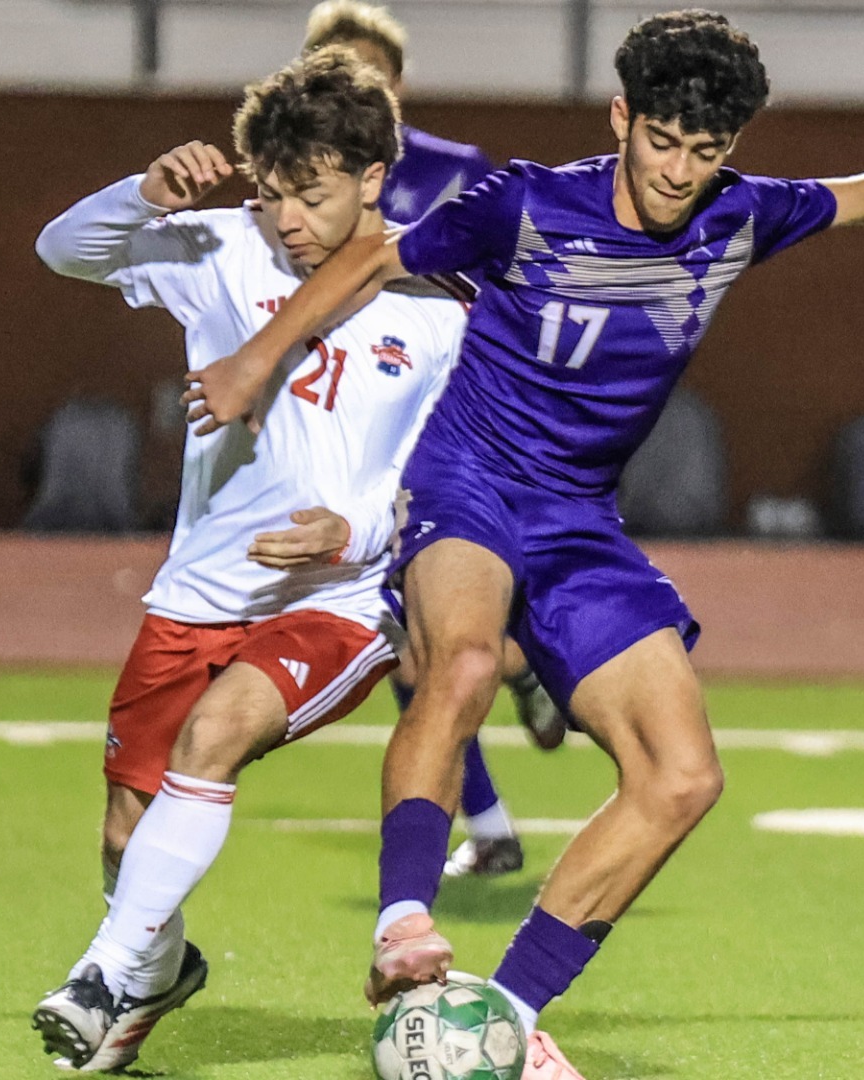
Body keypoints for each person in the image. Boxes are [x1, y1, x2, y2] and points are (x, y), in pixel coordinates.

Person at [184, 10, 864, 1075]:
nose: (681, 170)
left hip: (581, 518)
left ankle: (500, 1013)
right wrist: (259, 361)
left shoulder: (739, 215)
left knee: (682, 777)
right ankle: (403, 923)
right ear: (621, 116)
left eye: (707, 150)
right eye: (662, 140)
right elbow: (372, 261)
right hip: (472, 479)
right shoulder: (526, 205)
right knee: (458, 659)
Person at [27, 50, 469, 1072]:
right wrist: (144, 191)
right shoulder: (224, 251)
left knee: (216, 736)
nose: (287, 222)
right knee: (126, 844)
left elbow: (441, 487)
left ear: (371, 180)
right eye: (270, 196)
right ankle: (160, 967)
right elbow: (63, 250)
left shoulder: (437, 318)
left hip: (341, 603)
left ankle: (100, 974)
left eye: (309, 197)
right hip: (197, 594)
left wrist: (350, 535)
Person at [304, 0, 569, 880]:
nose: (357, 90)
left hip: (452, 424)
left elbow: (513, 280)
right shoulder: (299, 181)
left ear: (399, 84)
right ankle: (493, 812)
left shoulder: (460, 173)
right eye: (339, 73)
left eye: (372, 74)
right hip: (358, 426)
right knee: (410, 645)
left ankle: (488, 822)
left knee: (412, 638)